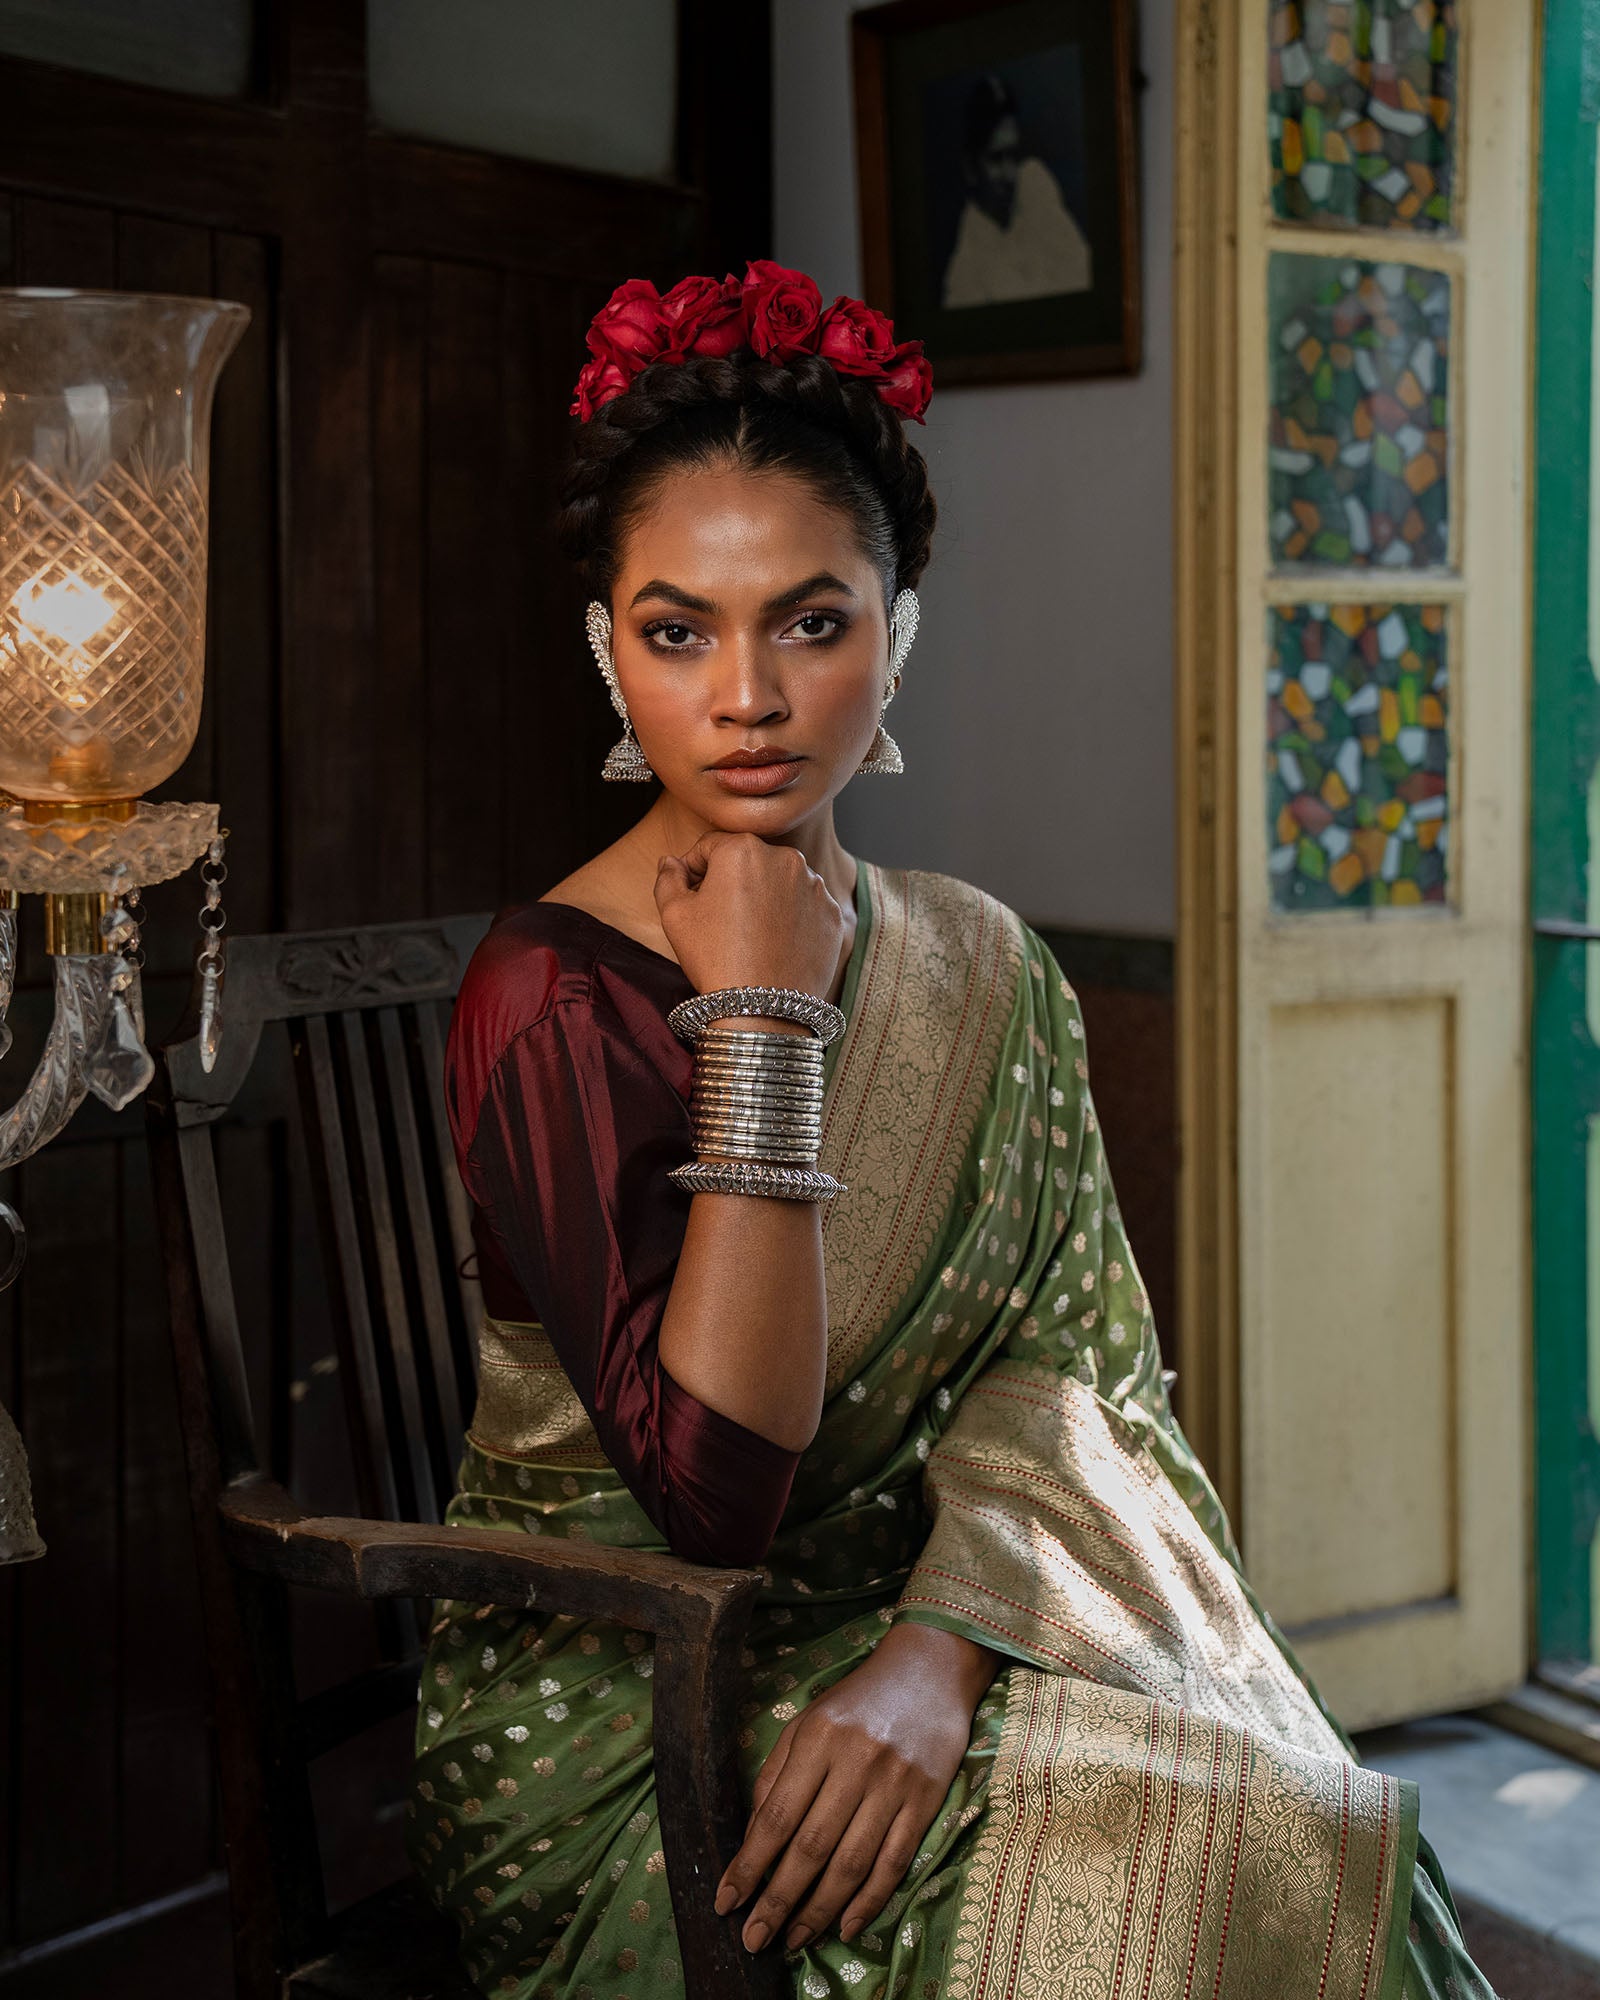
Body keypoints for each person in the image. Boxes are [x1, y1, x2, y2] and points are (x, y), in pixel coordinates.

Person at [408, 260, 1495, 2000]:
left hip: (924, 1618)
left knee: (1298, 1813)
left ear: (897, 630)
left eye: (812, 619)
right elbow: (716, 1506)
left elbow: (1081, 1367)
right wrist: (761, 1016)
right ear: (605, 648)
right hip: (636, 1701)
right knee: (1218, 1866)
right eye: (679, 630)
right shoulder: (552, 993)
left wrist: (945, 1648)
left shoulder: (981, 961)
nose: (747, 696)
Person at [941, 73, 1093, 309]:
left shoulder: (1034, 183)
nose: (1010, 175)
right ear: (971, 167)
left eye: (1013, 155)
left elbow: (1081, 273)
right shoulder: (965, 272)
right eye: (996, 159)